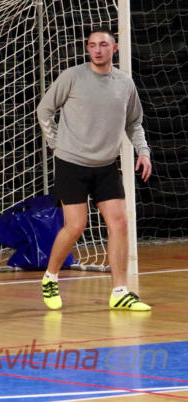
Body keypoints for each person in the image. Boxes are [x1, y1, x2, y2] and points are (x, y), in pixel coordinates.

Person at [36, 26, 152, 311]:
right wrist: (56, 144)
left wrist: (143, 151)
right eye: (92, 45)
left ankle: (120, 291)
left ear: (114, 49)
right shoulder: (72, 77)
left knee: (120, 223)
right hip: (72, 164)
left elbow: (134, 122)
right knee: (75, 226)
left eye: (103, 44)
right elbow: (44, 110)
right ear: (87, 49)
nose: (97, 50)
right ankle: (50, 277)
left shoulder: (124, 83)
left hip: (106, 166)